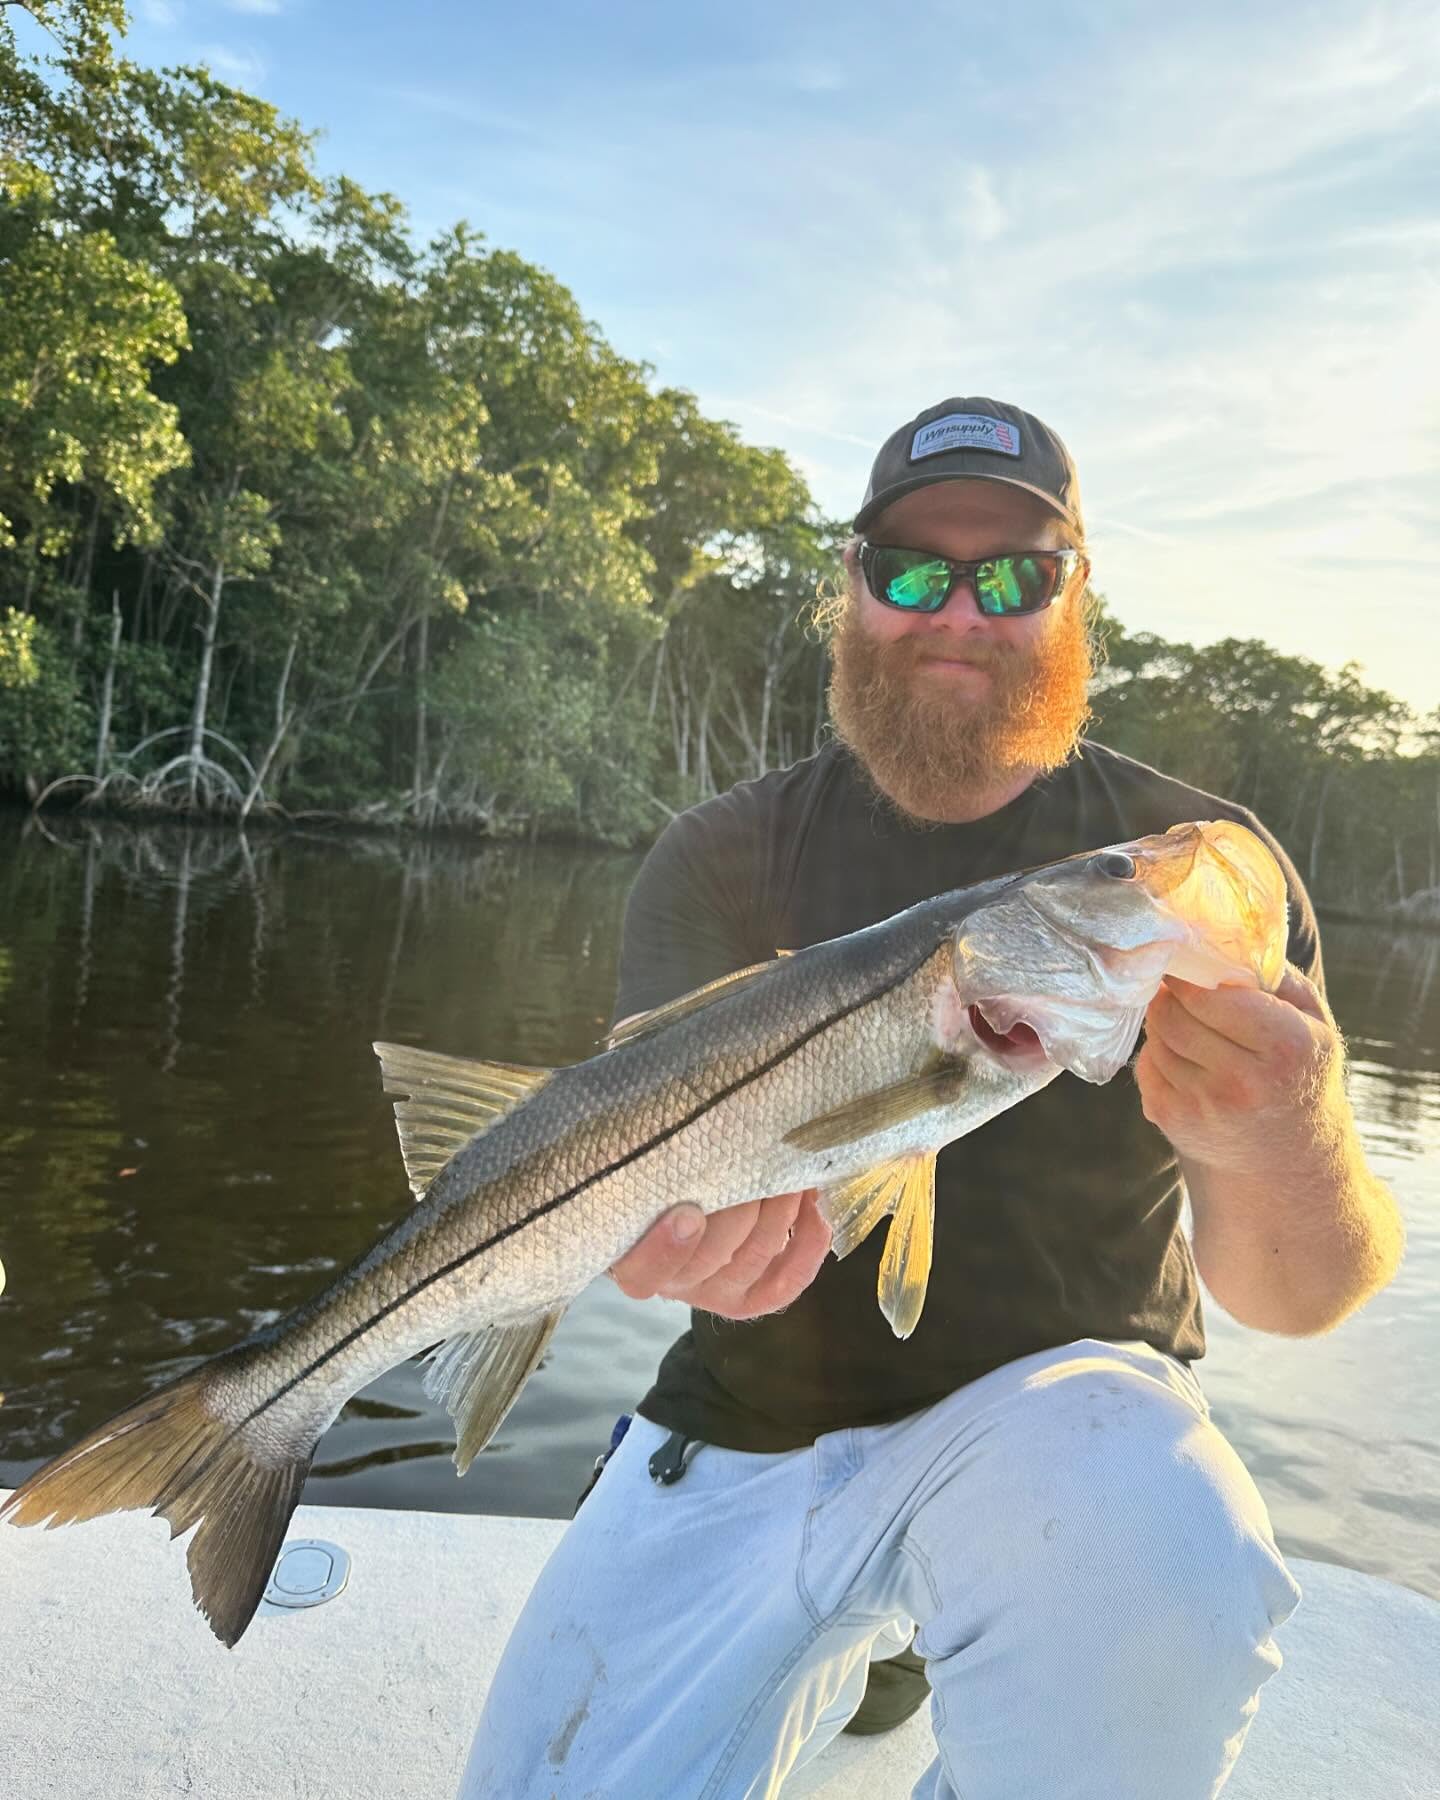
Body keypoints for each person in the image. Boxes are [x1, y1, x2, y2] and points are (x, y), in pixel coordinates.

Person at [459, 397, 1403, 1799]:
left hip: (1070, 1434)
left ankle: (950, 1616)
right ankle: (868, 1637)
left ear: (1081, 595)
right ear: (848, 590)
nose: (957, 611)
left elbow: (1298, 1297)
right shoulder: (721, 852)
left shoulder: (1198, 872)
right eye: (910, 572)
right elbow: (639, 1159)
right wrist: (670, 1250)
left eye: (1014, 575)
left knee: (1158, 1544)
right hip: (744, 1412)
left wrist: (1291, 1133)